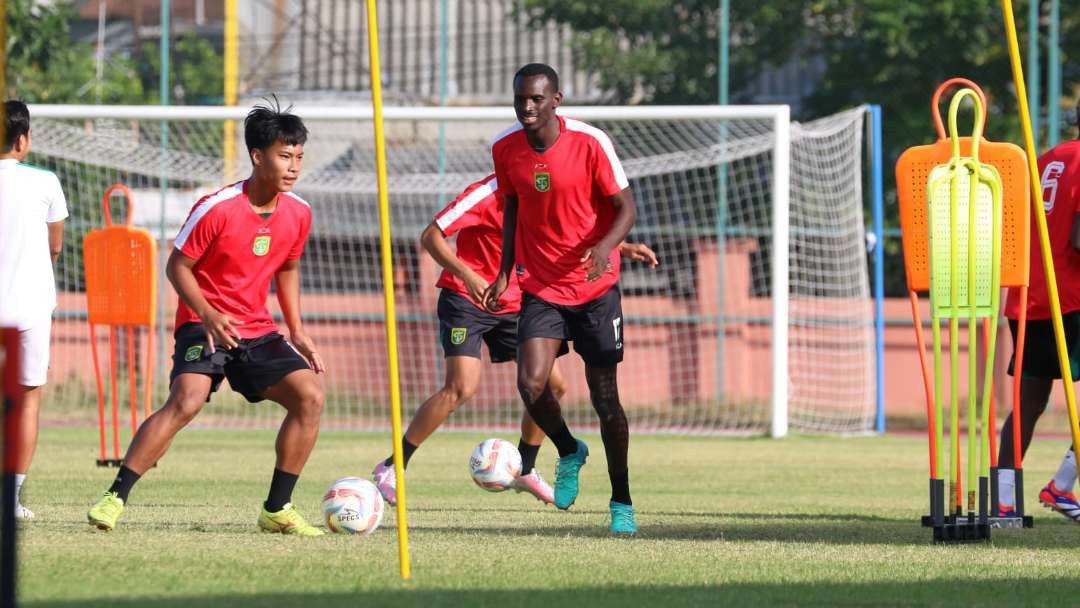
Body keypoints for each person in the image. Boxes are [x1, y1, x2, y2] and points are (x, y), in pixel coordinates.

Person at [86, 101, 326, 535]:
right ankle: (114, 497)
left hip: (255, 328)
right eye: (284, 156)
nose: (293, 167)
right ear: (257, 156)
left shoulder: (299, 212)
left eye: (299, 157)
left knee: (310, 396)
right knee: (187, 401)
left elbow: (288, 268)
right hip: (204, 323)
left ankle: (277, 509)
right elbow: (177, 266)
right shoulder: (216, 207)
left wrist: (298, 330)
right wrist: (208, 314)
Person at [371, 174, 657, 506]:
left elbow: (566, 235)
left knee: (554, 386)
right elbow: (430, 236)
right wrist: (469, 275)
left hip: (515, 303)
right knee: (462, 387)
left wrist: (622, 246)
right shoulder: (483, 194)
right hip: (466, 298)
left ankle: (525, 466)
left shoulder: (544, 191)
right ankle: (393, 466)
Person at [484, 63, 639, 534]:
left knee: (605, 400)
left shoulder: (591, 142)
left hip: (595, 289)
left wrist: (606, 246)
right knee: (531, 385)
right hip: (542, 288)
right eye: (520, 99)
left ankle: (621, 501)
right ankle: (570, 450)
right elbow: (511, 208)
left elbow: (626, 208)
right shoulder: (505, 148)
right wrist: (505, 270)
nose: (526, 107)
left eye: (536, 99)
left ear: (557, 99)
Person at [999, 100, 1080, 522]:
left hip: (1029, 295)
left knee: (1029, 402)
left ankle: (1003, 500)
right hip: (1071, 297)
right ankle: (1062, 486)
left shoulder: (1050, 158)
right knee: (1031, 400)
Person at [0, 100, 69, 520]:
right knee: (27, 401)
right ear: (22, 140)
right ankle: (11, 498)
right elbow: (56, 246)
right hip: (29, 305)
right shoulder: (45, 182)